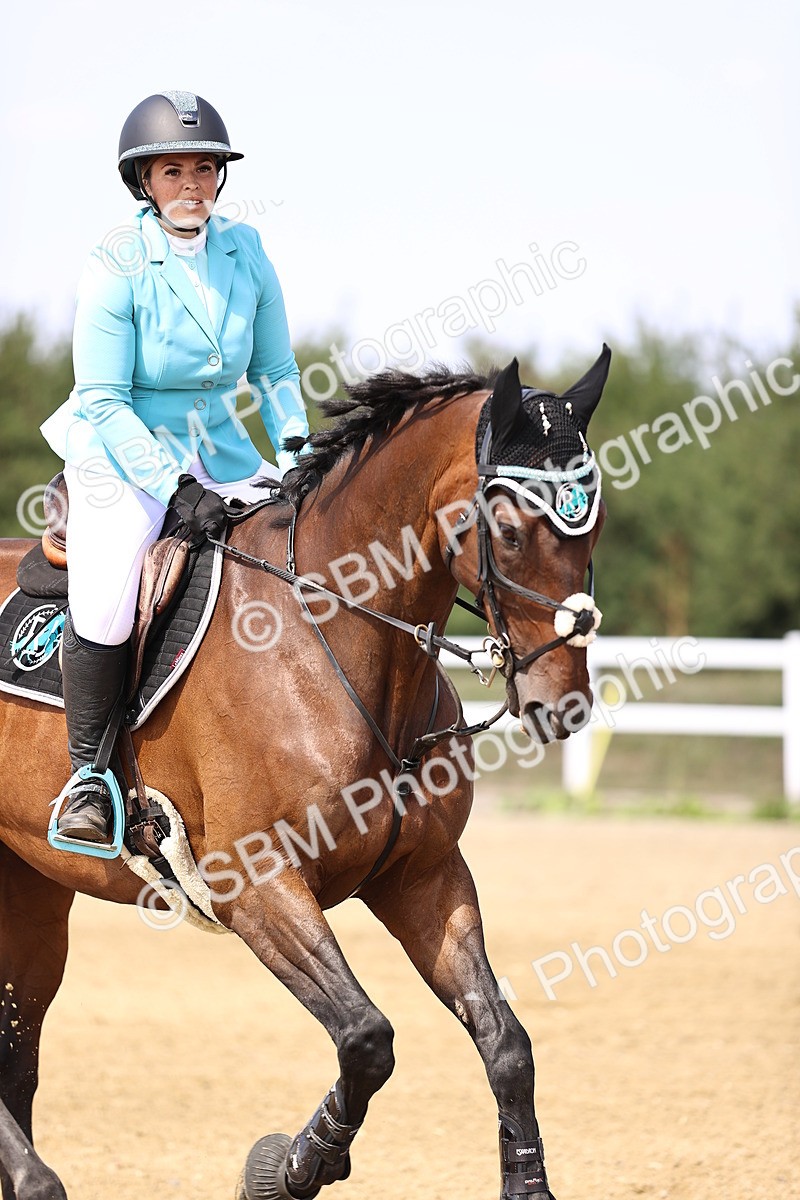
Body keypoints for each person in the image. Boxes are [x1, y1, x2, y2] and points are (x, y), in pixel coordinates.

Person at [40, 90, 309, 843]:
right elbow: (103, 396)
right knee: (107, 594)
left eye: (204, 169)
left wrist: (296, 453)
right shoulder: (115, 263)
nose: (192, 184)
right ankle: (89, 779)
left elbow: (278, 368)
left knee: (309, 542)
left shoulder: (244, 250)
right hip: (121, 454)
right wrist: (173, 487)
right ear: (145, 183)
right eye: (172, 171)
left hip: (222, 447)